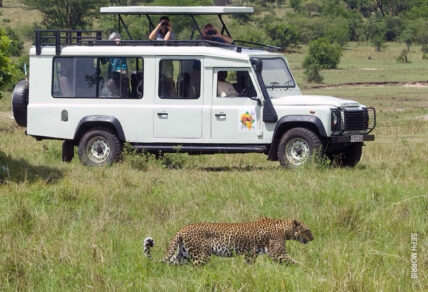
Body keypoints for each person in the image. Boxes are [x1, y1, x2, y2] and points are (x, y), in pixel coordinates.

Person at [102, 32, 129, 97]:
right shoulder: (111, 50)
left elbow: (115, 62)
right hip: (115, 73)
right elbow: (104, 61)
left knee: (109, 90)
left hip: (118, 73)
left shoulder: (120, 49)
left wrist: (112, 78)